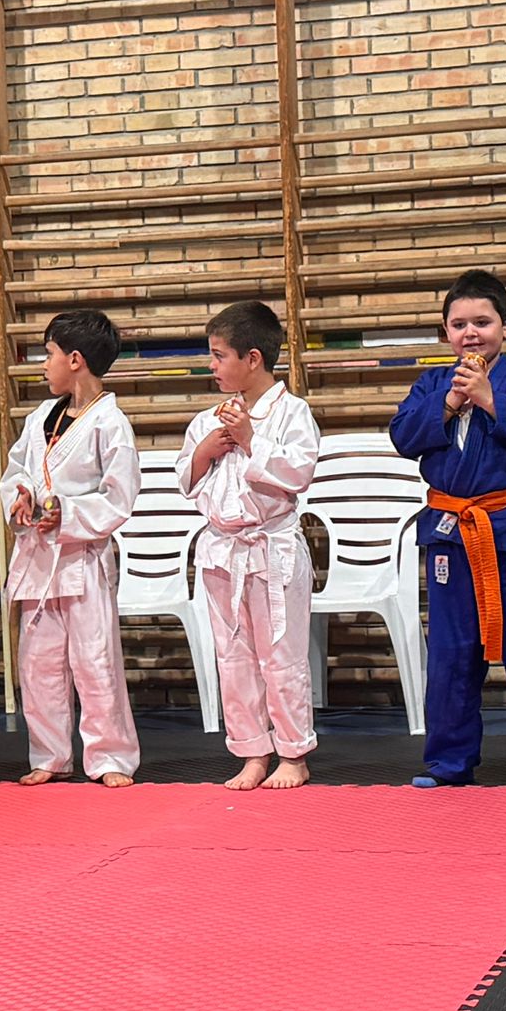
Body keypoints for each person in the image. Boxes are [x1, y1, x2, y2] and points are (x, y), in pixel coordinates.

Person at [389, 270, 506, 792]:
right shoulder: (432, 385)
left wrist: (492, 400)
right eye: (459, 324)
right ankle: (449, 762)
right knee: (451, 650)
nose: (471, 333)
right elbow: (403, 437)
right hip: (450, 531)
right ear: (446, 331)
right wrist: (448, 405)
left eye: (483, 322)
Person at [178, 301, 321, 790]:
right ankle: (252, 752)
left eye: (219, 356)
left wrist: (250, 439)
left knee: (281, 656)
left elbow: (298, 473)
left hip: (272, 550)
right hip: (222, 551)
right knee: (233, 658)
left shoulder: (293, 412)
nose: (212, 366)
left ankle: (294, 753)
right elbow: (187, 481)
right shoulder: (208, 419)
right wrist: (204, 451)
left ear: (253, 358)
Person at [0, 310, 143, 788]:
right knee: (38, 664)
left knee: (95, 660)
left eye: (50, 354)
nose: (44, 364)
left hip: (83, 557)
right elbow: (17, 471)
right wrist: (21, 496)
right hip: (39, 557)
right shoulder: (41, 417)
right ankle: (50, 754)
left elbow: (119, 497)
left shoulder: (110, 423)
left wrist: (68, 512)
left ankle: (110, 757)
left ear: (75, 359)